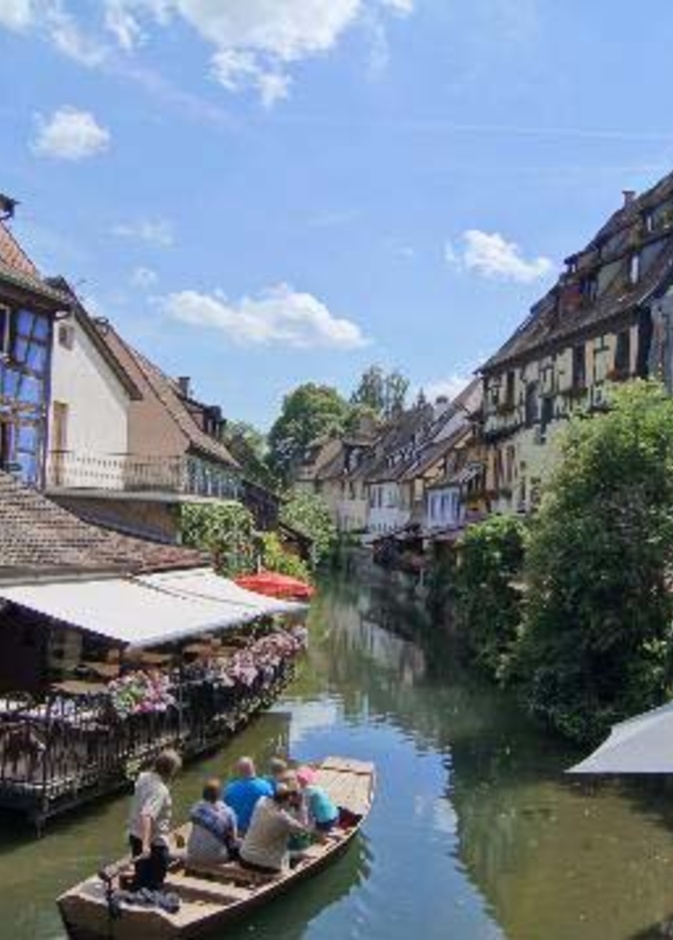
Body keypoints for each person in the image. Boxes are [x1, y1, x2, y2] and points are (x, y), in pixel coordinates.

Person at [128, 749, 182, 891]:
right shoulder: (160, 790)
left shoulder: (143, 777)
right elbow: (147, 815)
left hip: (135, 837)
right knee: (154, 884)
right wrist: (146, 845)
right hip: (154, 844)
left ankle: (133, 902)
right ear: (170, 770)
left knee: (141, 879)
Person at [238, 783, 307, 874]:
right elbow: (303, 828)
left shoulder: (260, 803)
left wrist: (285, 791)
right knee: (300, 855)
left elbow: (274, 800)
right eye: (289, 802)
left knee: (288, 853)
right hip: (267, 865)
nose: (290, 804)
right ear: (285, 801)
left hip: (244, 859)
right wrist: (301, 806)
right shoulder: (283, 819)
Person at [186, 778, 238, 865]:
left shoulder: (195, 809)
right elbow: (233, 839)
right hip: (217, 857)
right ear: (220, 794)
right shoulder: (229, 812)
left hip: (193, 854)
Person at [223, 756, 273, 834]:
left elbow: (225, 811)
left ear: (238, 771)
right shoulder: (266, 786)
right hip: (259, 831)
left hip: (238, 832)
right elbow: (274, 808)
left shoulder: (229, 789)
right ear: (254, 768)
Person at [296, 765, 340, 835]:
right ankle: (332, 829)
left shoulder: (307, 791)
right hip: (336, 816)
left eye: (299, 780)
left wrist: (304, 824)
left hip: (325, 822)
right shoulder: (318, 787)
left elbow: (304, 808)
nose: (298, 782)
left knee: (312, 830)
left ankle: (328, 833)